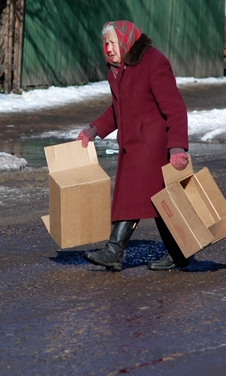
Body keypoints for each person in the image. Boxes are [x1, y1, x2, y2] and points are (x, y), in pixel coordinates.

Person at [78, 20, 190, 271]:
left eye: (112, 42)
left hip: (153, 145)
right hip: (133, 145)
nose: (108, 48)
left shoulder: (153, 62)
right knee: (160, 201)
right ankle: (178, 251)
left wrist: (177, 147)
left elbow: (174, 106)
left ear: (126, 41)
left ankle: (114, 251)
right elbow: (118, 110)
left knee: (132, 195)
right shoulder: (117, 70)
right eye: (105, 43)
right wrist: (94, 129)